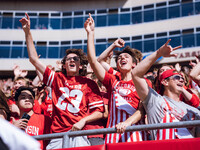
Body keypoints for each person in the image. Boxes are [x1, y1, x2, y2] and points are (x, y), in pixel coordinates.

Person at [20, 13, 104, 149]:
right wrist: (27, 31)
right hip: (57, 135)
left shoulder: (89, 83)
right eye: (68, 59)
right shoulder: (57, 78)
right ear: (63, 65)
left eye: (75, 59)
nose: (71, 60)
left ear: (81, 65)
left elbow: (99, 112)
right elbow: (34, 59)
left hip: (78, 133)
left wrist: (83, 121)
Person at [85, 14, 148, 143]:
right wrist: (90, 33)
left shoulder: (144, 82)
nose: (122, 59)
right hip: (113, 136)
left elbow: (142, 110)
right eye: (119, 58)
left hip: (136, 135)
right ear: (117, 65)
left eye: (126, 57)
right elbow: (93, 61)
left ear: (134, 64)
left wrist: (126, 123)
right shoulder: (112, 80)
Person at [131, 39, 200, 140]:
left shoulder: (194, 111)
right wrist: (159, 53)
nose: (181, 80)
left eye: (182, 78)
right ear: (165, 82)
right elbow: (136, 74)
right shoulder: (154, 101)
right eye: (176, 77)